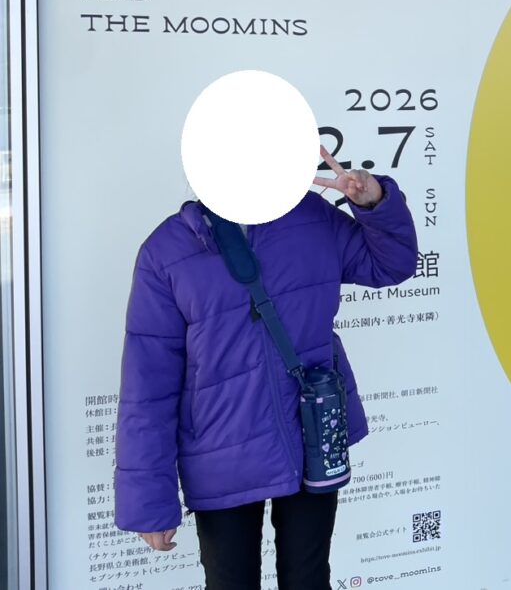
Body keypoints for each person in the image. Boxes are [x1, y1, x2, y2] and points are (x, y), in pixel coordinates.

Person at [114, 148, 418, 589]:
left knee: (309, 579)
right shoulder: (167, 251)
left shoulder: (312, 218)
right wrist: (149, 501)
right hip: (221, 453)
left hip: (311, 435)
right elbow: (147, 386)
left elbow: (391, 264)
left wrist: (374, 203)